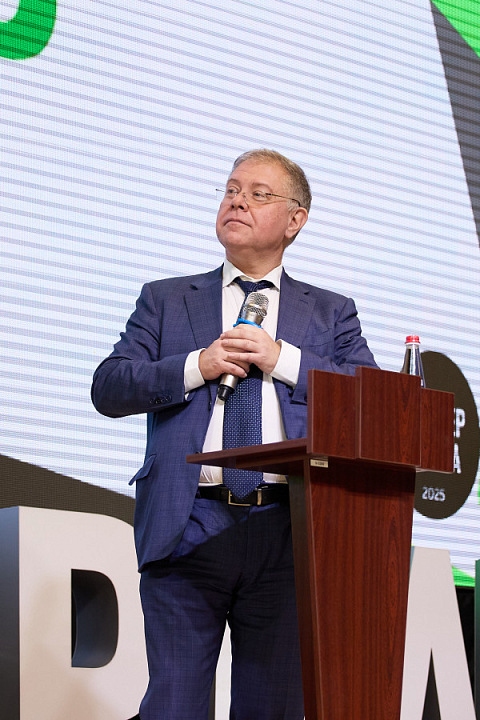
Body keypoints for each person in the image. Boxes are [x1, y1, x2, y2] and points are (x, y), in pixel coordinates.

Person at [91, 149, 378, 720]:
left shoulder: (330, 313)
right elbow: (110, 386)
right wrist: (196, 365)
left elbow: (370, 400)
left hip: (288, 531)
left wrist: (283, 359)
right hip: (188, 524)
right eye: (231, 190)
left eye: (258, 194)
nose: (238, 201)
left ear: (295, 220)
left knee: (272, 709)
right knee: (173, 707)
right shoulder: (167, 299)